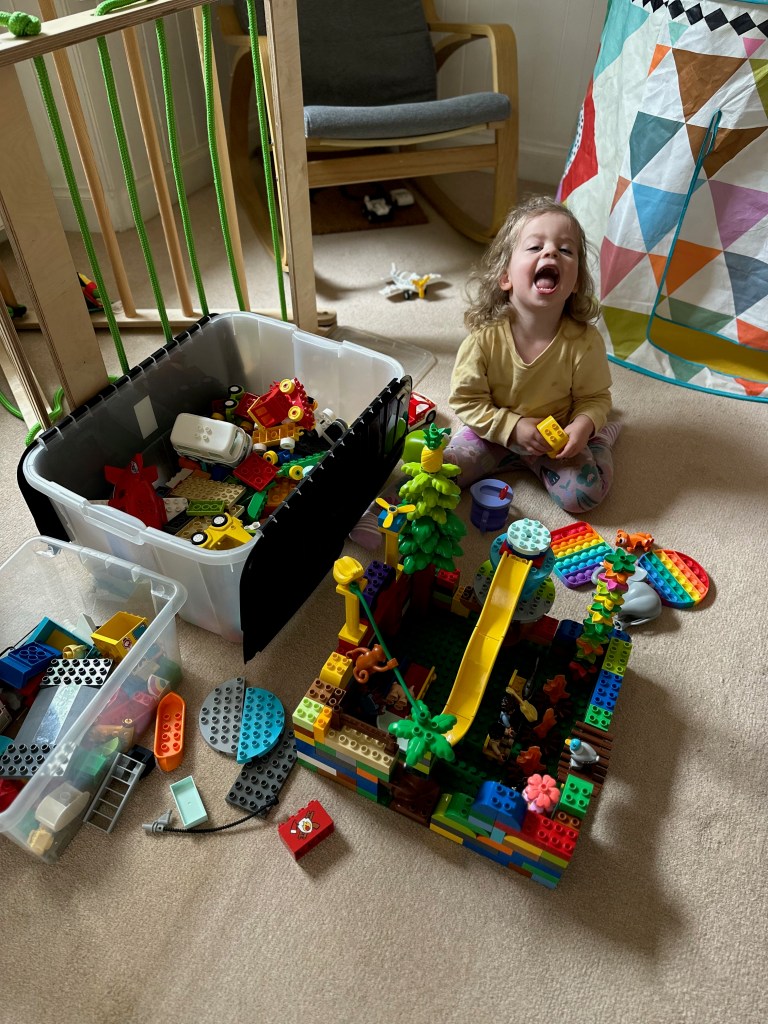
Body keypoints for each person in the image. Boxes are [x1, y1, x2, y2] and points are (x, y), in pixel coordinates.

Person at [444, 195, 621, 514]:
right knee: (441, 473)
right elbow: (466, 401)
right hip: (493, 432)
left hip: (556, 440)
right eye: (535, 246)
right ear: (505, 277)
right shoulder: (484, 339)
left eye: (565, 250)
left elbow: (595, 398)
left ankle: (601, 439)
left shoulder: (584, 341)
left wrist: (584, 426)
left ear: (576, 282)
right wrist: (511, 428)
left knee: (584, 495)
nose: (550, 252)